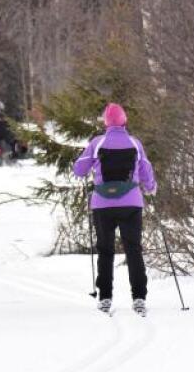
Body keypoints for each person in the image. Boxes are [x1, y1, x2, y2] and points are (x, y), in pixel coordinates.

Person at [73, 103, 157, 316]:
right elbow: (146, 171)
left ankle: (105, 298)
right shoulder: (134, 143)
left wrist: (90, 160)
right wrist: (150, 187)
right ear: (124, 121)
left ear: (106, 122)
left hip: (103, 204)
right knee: (133, 250)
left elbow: (79, 170)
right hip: (131, 203)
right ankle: (139, 298)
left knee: (105, 251)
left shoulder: (97, 143)